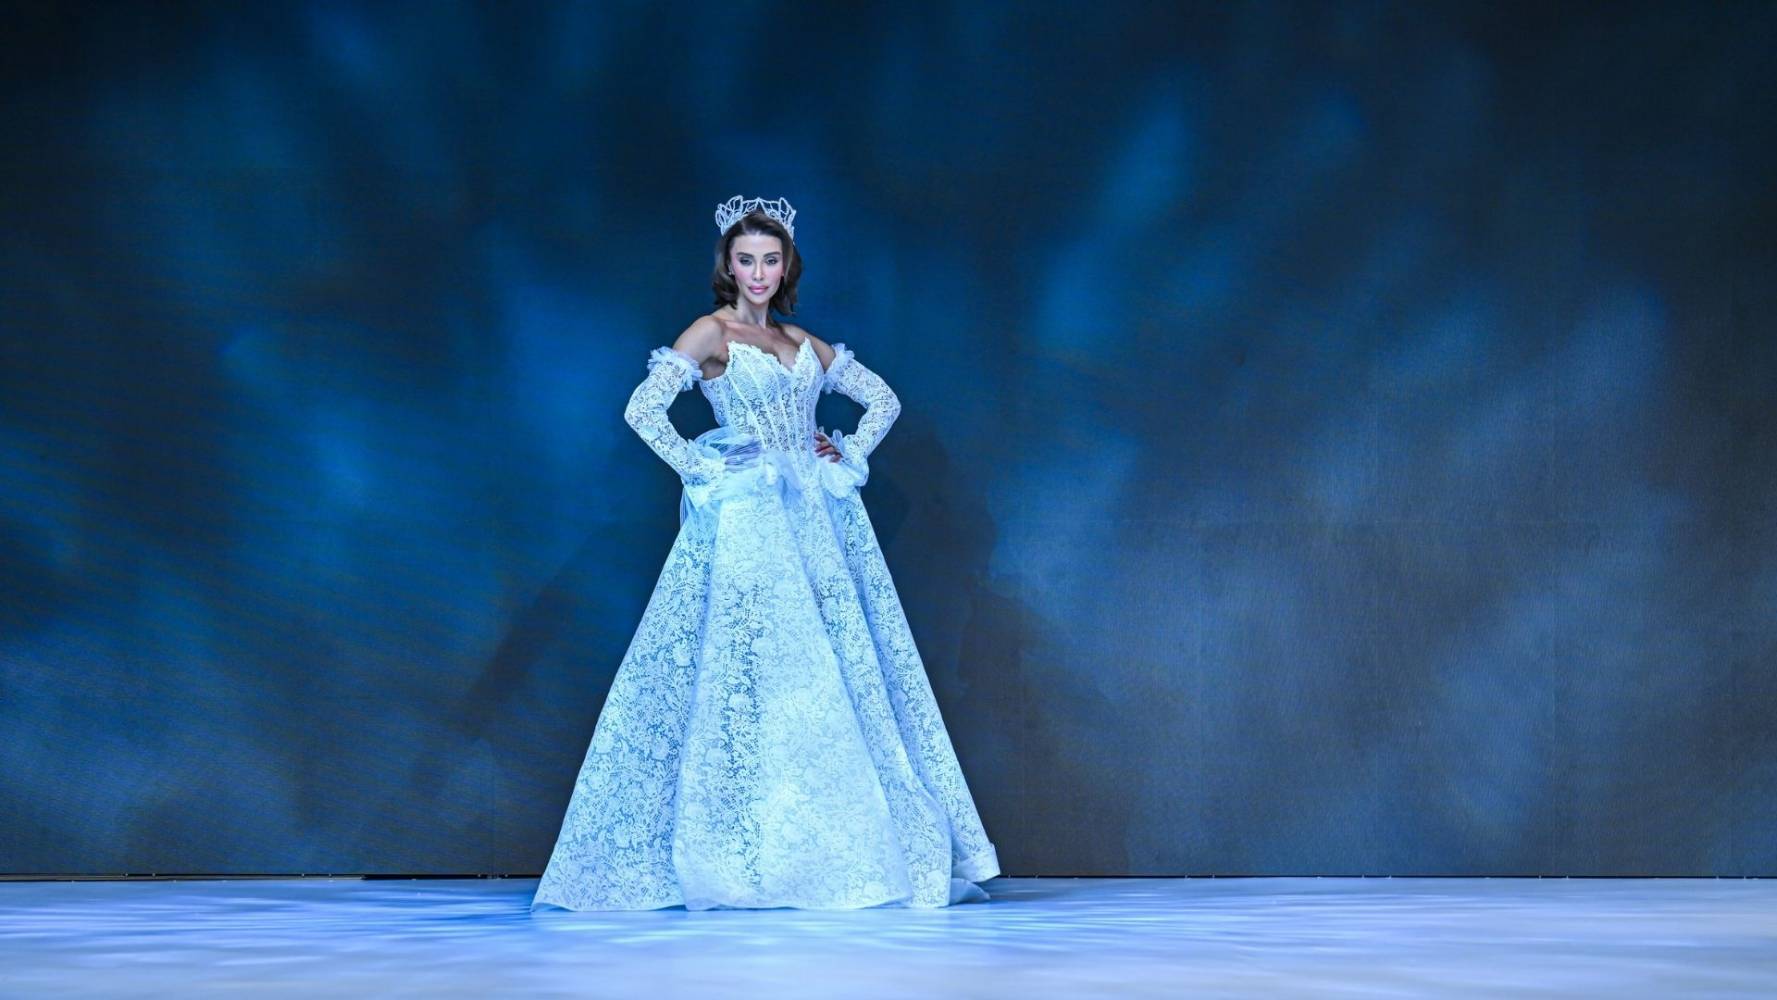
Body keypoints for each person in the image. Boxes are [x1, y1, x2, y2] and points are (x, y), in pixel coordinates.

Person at [530, 196, 1000, 911]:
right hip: (750, 520)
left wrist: (843, 448)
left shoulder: (799, 340)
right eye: (745, 259)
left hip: (816, 521)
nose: (757, 272)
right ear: (729, 264)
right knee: (752, 669)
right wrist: (703, 466)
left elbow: (882, 400)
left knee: (827, 674)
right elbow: (642, 409)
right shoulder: (711, 332)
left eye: (770, 260)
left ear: (786, 267)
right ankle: (742, 853)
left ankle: (817, 851)